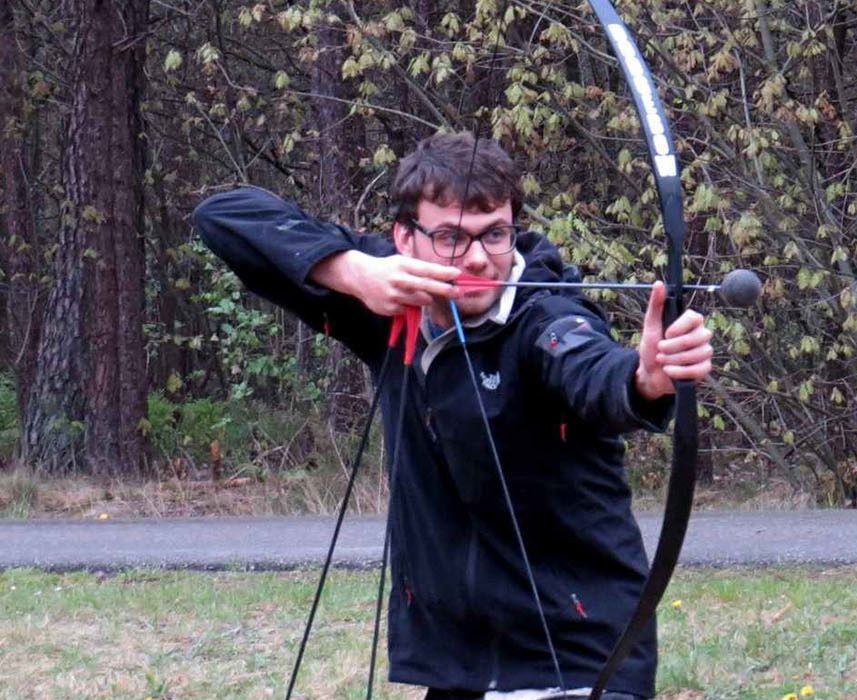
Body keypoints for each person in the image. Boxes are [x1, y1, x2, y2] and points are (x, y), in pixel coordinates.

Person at [193, 132, 713, 700]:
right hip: (460, 664)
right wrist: (353, 273)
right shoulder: (387, 295)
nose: (477, 257)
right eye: (450, 237)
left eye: (494, 233)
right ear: (405, 238)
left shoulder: (545, 319)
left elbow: (588, 367)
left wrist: (644, 379)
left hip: (578, 653)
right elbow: (224, 216)